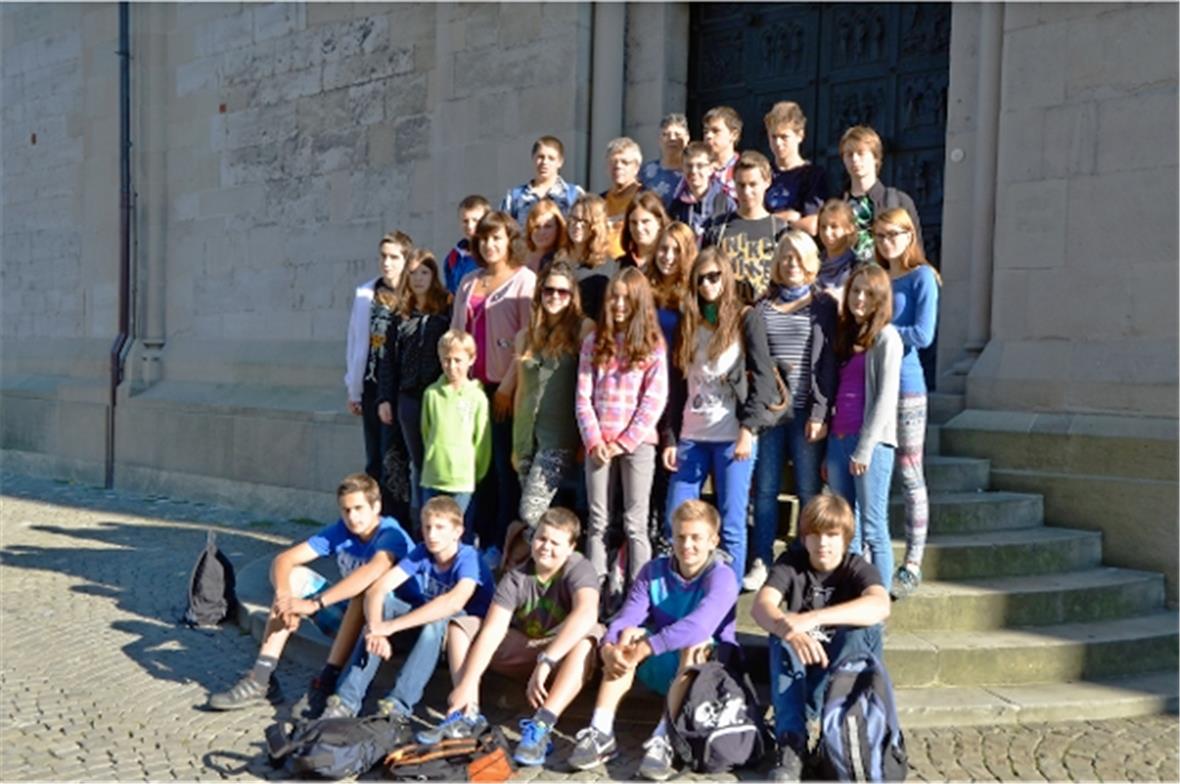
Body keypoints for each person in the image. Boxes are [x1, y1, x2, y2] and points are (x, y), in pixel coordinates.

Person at [207, 473, 413, 715]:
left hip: (393, 628)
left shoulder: (391, 534)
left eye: (358, 508)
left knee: (362, 592)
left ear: (376, 507)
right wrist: (285, 599)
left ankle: (328, 680)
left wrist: (314, 604)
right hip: (354, 620)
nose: (352, 517)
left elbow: (372, 571)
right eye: (346, 510)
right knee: (294, 577)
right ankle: (262, 677)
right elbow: (284, 560)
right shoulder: (341, 530)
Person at [567, 499, 739, 781]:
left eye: (696, 538)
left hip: (707, 673)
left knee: (695, 645)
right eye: (680, 536)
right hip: (663, 660)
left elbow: (699, 626)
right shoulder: (653, 570)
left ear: (713, 541)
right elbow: (627, 617)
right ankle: (601, 731)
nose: (687, 545)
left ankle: (665, 738)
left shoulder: (723, 577)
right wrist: (609, 646)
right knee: (627, 635)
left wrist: (647, 647)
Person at [418, 508, 603, 769]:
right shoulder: (516, 577)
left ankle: (542, 724)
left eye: (555, 543)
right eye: (541, 538)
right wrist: (468, 682)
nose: (546, 547)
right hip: (523, 647)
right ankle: (467, 712)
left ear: (571, 548)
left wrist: (547, 661)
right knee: (462, 626)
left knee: (589, 636)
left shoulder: (579, 569)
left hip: (560, 655)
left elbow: (586, 613)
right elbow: (493, 630)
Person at [751, 493, 891, 782]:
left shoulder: (857, 567)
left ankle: (836, 738)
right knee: (782, 635)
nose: (823, 543)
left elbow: (880, 605)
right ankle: (792, 745)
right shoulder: (792, 563)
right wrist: (789, 630)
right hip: (801, 671)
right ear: (804, 538)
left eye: (832, 535)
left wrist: (812, 618)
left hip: (841, 671)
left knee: (865, 630)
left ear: (846, 538)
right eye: (815, 534)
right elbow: (761, 606)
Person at [321, 496, 495, 724]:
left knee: (437, 619)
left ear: (458, 531)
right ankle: (346, 701)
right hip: (426, 630)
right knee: (385, 605)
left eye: (440, 528)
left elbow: (454, 602)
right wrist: (376, 629)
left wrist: (391, 626)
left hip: (461, 634)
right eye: (427, 527)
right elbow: (377, 589)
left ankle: (398, 706)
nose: (432, 535)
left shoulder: (469, 558)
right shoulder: (422, 552)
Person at [664, 248, 777, 578]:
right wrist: (670, 437)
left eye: (714, 277)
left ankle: (726, 600)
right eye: (700, 279)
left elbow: (765, 380)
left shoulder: (746, 318)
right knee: (677, 518)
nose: (707, 285)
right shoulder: (688, 321)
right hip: (691, 435)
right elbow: (677, 385)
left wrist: (748, 429)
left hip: (732, 435)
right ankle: (682, 591)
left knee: (731, 523)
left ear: (726, 277)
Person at [744, 231, 838, 592]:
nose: (792, 264)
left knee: (808, 489)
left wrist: (820, 413)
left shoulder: (823, 305)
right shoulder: (762, 307)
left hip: (805, 413)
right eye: (785, 257)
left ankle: (804, 559)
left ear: (811, 262)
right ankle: (761, 559)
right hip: (771, 414)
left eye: (798, 257)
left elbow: (827, 363)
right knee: (765, 489)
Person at [576, 268, 669, 592]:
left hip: (637, 443)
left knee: (635, 522)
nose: (618, 304)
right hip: (598, 442)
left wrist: (625, 441)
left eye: (626, 299)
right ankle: (594, 590)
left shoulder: (652, 346)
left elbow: (654, 400)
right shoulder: (593, 342)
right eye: (613, 297)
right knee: (597, 520)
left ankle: (638, 592)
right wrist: (594, 439)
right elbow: (583, 396)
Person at [452, 212, 536, 562]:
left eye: (497, 238)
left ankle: (502, 545)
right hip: (470, 390)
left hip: (505, 391)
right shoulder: (468, 282)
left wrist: (507, 388)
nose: (489, 244)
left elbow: (529, 341)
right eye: (484, 238)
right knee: (476, 468)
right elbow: (455, 336)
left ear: (509, 241)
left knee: (504, 468)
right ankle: (478, 537)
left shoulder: (524, 281)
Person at [874, 207, 940, 599]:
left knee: (910, 473)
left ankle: (913, 562)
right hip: (872, 384)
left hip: (906, 386)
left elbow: (923, 334)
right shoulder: (877, 277)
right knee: (875, 470)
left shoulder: (922, 277)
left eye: (894, 235)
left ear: (910, 235)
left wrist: (880, 330)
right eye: (881, 236)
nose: (887, 243)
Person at [825, 263, 902, 592]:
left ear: (879, 298)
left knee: (872, 527)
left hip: (870, 444)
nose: (858, 299)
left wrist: (865, 448)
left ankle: (877, 603)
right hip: (838, 438)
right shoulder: (847, 335)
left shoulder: (887, 337)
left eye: (867, 294)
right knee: (847, 528)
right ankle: (850, 596)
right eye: (854, 291)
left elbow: (885, 398)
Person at [512, 262, 595, 537]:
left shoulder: (583, 329)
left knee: (531, 513)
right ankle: (547, 560)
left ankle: (560, 554)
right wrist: (516, 445)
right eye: (549, 290)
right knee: (537, 516)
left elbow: (590, 385)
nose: (555, 296)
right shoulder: (525, 336)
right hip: (527, 435)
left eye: (563, 291)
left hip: (559, 437)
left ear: (573, 296)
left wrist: (585, 438)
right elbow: (521, 390)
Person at [378, 249, 451, 529]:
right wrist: (385, 398)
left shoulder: (446, 308)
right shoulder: (400, 314)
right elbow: (388, 360)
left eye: (424, 272)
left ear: (433, 275)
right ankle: (418, 525)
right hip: (408, 396)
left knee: (437, 461)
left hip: (439, 396)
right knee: (416, 463)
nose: (419, 278)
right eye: (413, 273)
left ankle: (441, 523)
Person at [346, 231, 412, 516]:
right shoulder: (366, 294)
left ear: (406, 259)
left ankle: (397, 518)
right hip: (371, 385)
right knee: (374, 458)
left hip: (398, 389)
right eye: (383, 256)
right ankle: (372, 518)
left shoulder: (411, 294)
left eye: (394, 257)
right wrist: (354, 389)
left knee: (393, 459)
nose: (387, 263)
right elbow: (355, 341)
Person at [647, 221, 697, 554]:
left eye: (675, 251)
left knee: (669, 464)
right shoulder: (645, 289)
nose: (667, 256)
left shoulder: (694, 294)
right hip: (645, 385)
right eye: (663, 249)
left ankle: (665, 540)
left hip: (680, 388)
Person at [419, 330, 492, 518]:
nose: (451, 366)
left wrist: (476, 473)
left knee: (459, 527)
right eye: (446, 360)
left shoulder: (477, 397)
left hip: (462, 480)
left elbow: (482, 441)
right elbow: (426, 432)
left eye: (458, 360)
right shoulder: (431, 394)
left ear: (471, 359)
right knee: (432, 525)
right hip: (433, 476)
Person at [702, 151, 786, 304]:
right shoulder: (718, 228)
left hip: (767, 311)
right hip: (727, 311)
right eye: (741, 185)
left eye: (753, 184)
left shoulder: (780, 229)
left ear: (767, 182)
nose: (747, 192)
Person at [839, 125, 924, 263]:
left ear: (875, 158)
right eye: (849, 154)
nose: (854, 159)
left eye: (861, 153)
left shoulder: (899, 201)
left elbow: (915, 250)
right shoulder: (838, 204)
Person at [763, 101, 827, 236]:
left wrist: (770, 222)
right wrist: (789, 217)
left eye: (784, 137)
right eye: (773, 137)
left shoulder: (813, 175)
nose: (778, 143)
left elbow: (812, 224)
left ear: (800, 136)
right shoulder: (762, 172)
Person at [559, 193, 618, 323]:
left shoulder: (607, 267)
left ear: (597, 226)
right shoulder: (554, 259)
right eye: (574, 219)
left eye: (585, 222)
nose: (577, 225)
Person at [500, 135, 583, 225]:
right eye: (540, 157)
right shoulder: (515, 197)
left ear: (560, 162)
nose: (544, 162)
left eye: (551, 158)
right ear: (533, 158)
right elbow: (503, 228)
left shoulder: (574, 194)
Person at [667, 141, 736, 240]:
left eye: (700, 166)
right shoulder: (677, 207)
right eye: (689, 165)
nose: (694, 171)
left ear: (711, 169)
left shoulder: (725, 204)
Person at [601, 137, 645, 258]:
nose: (618, 166)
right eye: (613, 162)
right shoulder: (599, 201)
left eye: (625, 162)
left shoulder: (647, 200)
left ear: (636, 167)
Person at [639, 113, 689, 207]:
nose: (672, 139)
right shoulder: (646, 172)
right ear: (659, 140)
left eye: (677, 134)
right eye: (666, 134)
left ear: (687, 139)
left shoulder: (693, 171)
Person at [815, 199, 858, 306]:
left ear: (849, 229)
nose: (827, 233)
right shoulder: (813, 263)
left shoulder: (856, 267)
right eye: (823, 227)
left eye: (834, 227)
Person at [444, 196, 490, 295]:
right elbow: (451, 294)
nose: (470, 226)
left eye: (476, 220)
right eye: (465, 221)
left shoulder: (495, 254)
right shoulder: (453, 257)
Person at [617, 190, 670, 270]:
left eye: (645, 221)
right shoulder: (619, 265)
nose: (639, 228)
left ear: (659, 222)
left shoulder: (669, 263)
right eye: (634, 222)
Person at [702, 105, 742, 200]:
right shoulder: (698, 168)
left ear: (734, 135)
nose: (709, 136)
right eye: (706, 131)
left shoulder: (743, 167)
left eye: (716, 131)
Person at [522, 198, 569, 273]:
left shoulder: (564, 260)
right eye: (537, 227)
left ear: (558, 229)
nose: (541, 232)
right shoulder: (519, 259)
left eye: (547, 226)